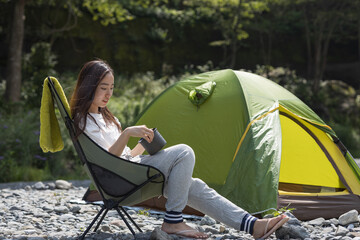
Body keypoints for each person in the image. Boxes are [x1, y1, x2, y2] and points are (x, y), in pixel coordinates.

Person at [70, 59, 289, 239]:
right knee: (184, 151)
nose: (108, 94)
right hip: (119, 181)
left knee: (195, 186)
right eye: (103, 88)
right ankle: (173, 221)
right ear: (89, 86)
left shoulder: (109, 119)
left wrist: (142, 145)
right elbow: (108, 162)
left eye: (111, 88)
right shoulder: (83, 122)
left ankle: (253, 226)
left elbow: (123, 156)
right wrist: (127, 133)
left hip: (130, 172)